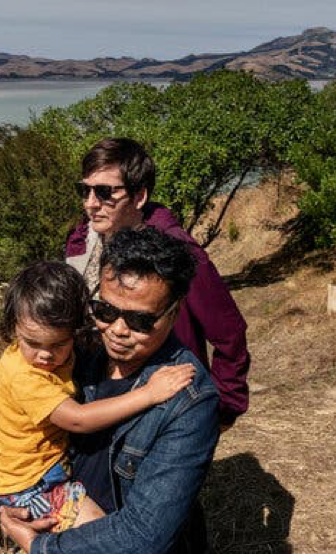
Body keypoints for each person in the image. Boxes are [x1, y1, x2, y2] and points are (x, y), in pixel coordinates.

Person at [1, 227, 220, 554]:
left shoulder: (189, 400)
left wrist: (37, 549)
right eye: (105, 309)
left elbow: (144, 535)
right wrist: (17, 502)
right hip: (64, 545)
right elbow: (19, 432)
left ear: (174, 313)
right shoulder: (75, 350)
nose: (117, 329)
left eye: (139, 320)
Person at [0, 261, 195, 532]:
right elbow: (78, 420)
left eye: (58, 344)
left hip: (44, 470)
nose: (45, 355)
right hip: (29, 484)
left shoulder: (54, 352)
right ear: (15, 328)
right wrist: (149, 394)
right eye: (32, 343)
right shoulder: (24, 377)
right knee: (98, 534)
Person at [65, 137, 250, 427]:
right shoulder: (85, 241)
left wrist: (223, 408)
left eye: (104, 193)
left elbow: (229, 332)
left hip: (162, 399)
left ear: (139, 197)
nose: (90, 204)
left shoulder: (177, 252)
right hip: (98, 392)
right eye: (84, 190)